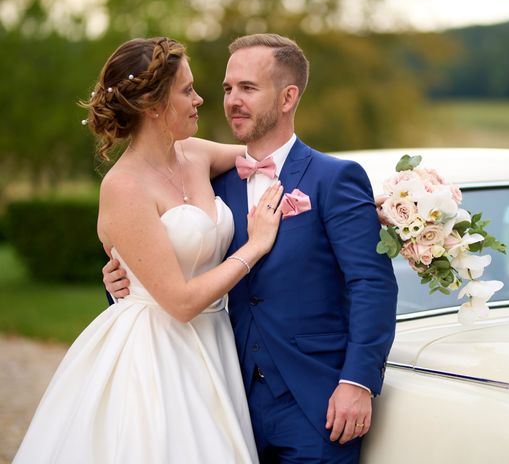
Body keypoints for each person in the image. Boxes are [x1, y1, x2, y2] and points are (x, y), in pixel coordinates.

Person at [105, 33, 398, 462]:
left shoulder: (334, 180)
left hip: (317, 402)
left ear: (287, 97)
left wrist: (357, 382)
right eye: (227, 88)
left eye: (248, 88)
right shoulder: (211, 184)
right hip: (224, 396)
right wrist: (118, 278)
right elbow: (169, 264)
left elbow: (371, 284)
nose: (230, 100)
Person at [14, 37, 285, 463]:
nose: (200, 99)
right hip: (158, 352)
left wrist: (372, 199)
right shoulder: (123, 187)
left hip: (215, 341)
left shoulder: (195, 154)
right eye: (186, 90)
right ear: (152, 105)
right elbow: (178, 301)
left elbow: (278, 162)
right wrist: (255, 246)